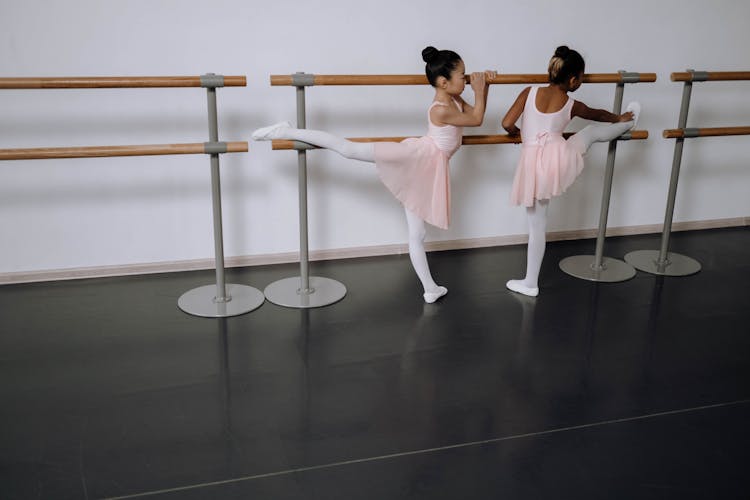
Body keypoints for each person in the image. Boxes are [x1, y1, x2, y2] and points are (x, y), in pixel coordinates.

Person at [253, 46, 495, 303]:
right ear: (444, 82)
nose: (467, 80)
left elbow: (473, 113)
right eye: (463, 76)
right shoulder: (439, 109)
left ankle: (430, 288)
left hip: (427, 169)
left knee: (417, 234)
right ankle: (286, 131)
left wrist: (485, 87)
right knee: (348, 149)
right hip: (416, 159)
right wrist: (481, 88)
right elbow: (477, 119)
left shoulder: (455, 100)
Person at [502, 45, 640, 297]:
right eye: (583, 78)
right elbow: (596, 114)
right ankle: (627, 122)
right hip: (557, 161)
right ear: (574, 79)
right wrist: (616, 117)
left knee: (536, 226)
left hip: (531, 166)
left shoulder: (528, 92)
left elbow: (506, 123)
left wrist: (519, 135)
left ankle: (531, 282)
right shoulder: (571, 103)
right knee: (590, 133)